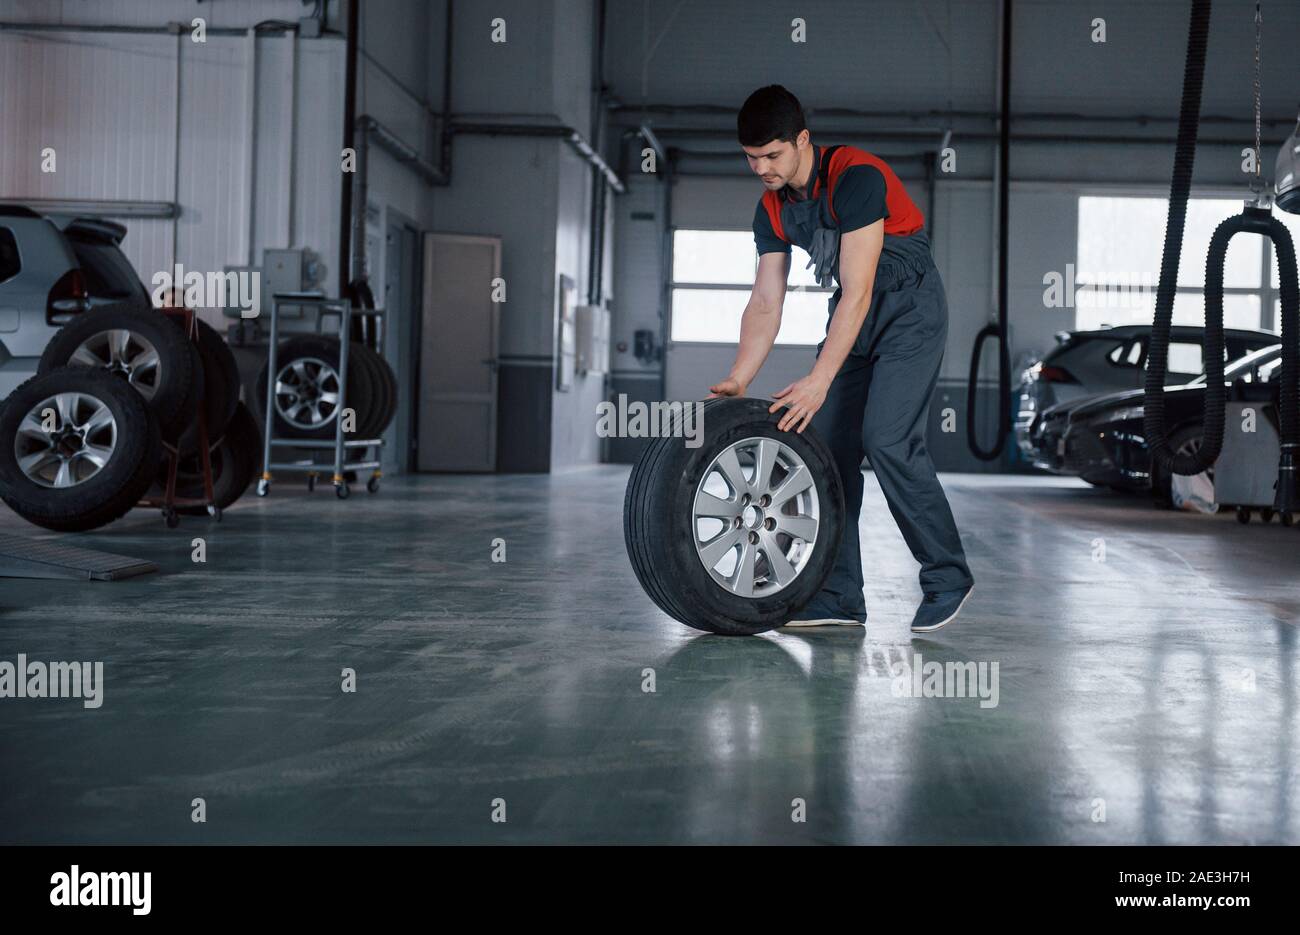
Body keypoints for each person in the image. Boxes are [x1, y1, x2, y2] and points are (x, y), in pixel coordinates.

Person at [709, 85, 974, 633]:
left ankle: (947, 575)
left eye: (772, 155)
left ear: (802, 140)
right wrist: (740, 377)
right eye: (752, 158)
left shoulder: (857, 178)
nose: (762, 168)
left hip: (909, 308)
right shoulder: (772, 210)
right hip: (856, 315)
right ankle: (838, 596)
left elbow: (857, 288)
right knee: (826, 449)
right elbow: (765, 300)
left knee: (887, 439)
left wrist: (819, 379)